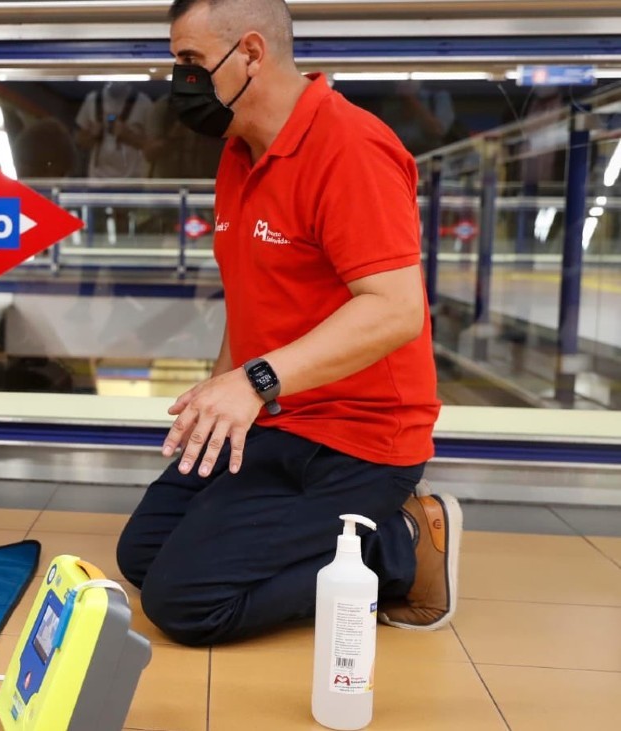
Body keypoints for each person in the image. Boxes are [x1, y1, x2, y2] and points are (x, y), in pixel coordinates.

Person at [115, 0, 461, 647]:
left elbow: (395, 309)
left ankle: (402, 542)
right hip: (275, 418)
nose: (179, 81)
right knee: (141, 555)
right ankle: (345, 536)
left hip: (356, 440)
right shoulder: (239, 154)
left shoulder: (350, 148)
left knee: (186, 602)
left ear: (250, 52)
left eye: (190, 61)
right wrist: (218, 400)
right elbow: (252, 296)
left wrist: (253, 383)